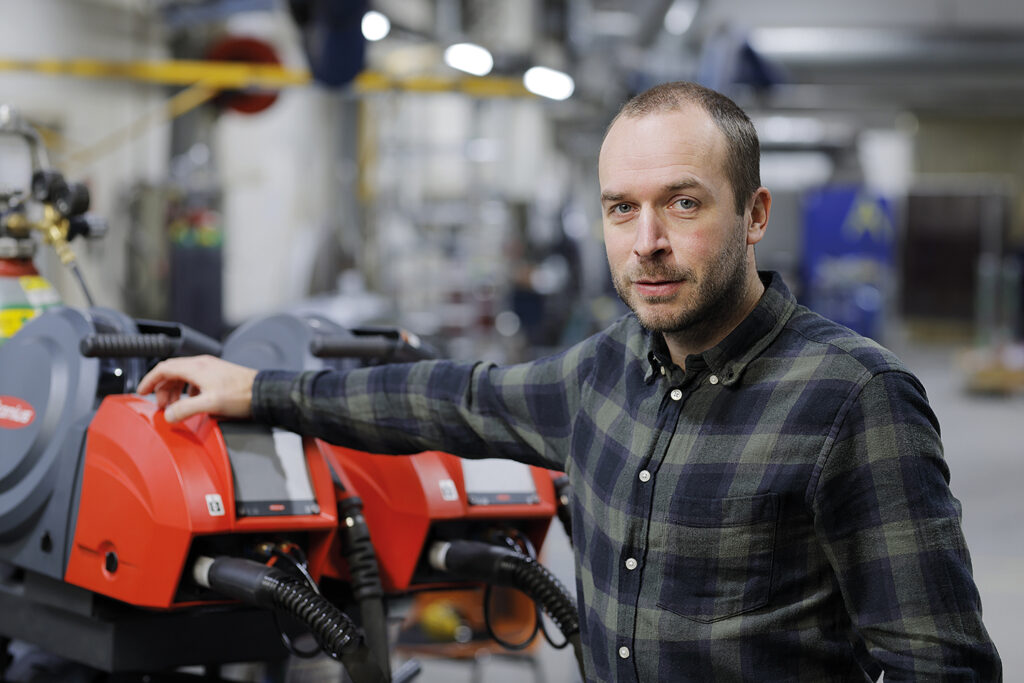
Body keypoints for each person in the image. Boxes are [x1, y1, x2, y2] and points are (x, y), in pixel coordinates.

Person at [138, 81, 1001, 682]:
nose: (646, 240)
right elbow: (451, 399)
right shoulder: (602, 370)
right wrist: (258, 391)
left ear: (756, 214)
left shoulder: (855, 398)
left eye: (684, 202)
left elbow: (941, 662)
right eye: (621, 207)